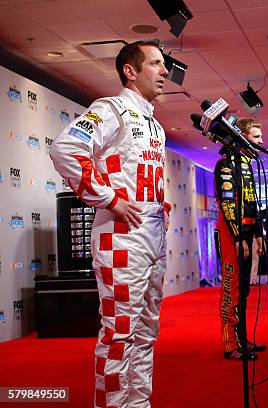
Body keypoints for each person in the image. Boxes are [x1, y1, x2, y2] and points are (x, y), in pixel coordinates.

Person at [49, 39, 171, 408]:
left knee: (146, 332)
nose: (165, 71)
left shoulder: (155, 125)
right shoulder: (112, 109)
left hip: (153, 237)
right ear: (130, 72)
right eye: (155, 64)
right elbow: (65, 148)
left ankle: (138, 403)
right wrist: (110, 199)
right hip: (120, 240)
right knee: (119, 334)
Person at [213, 118, 266, 360]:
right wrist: (238, 237)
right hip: (229, 234)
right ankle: (230, 345)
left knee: (244, 291)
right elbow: (227, 203)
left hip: (245, 233)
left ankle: (243, 338)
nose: (261, 141)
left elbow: (252, 203)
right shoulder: (225, 164)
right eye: (256, 137)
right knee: (232, 290)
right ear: (242, 137)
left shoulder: (248, 165)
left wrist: (258, 235)